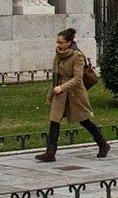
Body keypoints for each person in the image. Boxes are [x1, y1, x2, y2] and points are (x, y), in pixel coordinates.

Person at [36, 28, 110, 161]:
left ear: (69, 42)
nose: (59, 45)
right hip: (60, 91)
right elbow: (56, 75)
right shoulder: (59, 54)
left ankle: (103, 144)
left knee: (84, 120)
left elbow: (77, 78)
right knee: (54, 120)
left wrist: (62, 88)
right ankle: (50, 152)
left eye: (61, 42)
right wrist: (51, 93)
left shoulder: (77, 56)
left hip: (74, 93)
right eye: (57, 42)